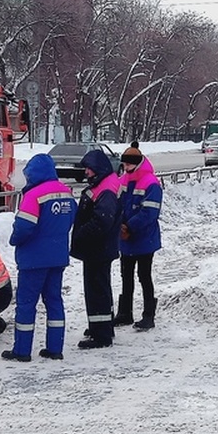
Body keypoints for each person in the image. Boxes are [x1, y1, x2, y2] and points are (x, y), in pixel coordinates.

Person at [4, 153, 76, 362]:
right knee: (54, 301)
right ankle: (55, 348)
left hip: (34, 258)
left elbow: (24, 227)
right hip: (58, 256)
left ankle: (22, 350)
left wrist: (14, 239)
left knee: (26, 304)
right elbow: (71, 220)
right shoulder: (67, 193)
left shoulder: (34, 195)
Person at [70, 148, 122, 349]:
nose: (86, 173)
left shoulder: (105, 189)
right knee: (101, 288)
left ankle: (100, 335)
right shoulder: (106, 183)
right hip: (102, 247)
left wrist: (82, 233)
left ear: (97, 169)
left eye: (89, 169)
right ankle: (102, 326)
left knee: (96, 291)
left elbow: (102, 221)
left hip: (97, 248)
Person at [117, 142, 163, 331]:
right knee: (125, 276)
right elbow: (117, 203)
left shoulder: (151, 182)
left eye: (127, 165)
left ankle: (148, 315)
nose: (125, 168)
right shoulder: (124, 179)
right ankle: (125, 313)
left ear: (136, 163)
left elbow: (149, 213)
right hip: (126, 237)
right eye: (124, 165)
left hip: (144, 238)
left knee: (144, 276)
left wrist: (128, 227)